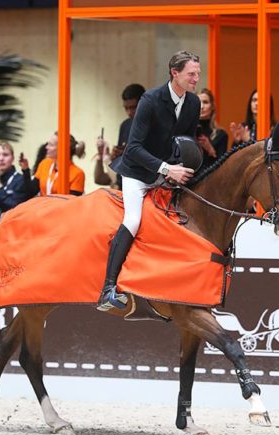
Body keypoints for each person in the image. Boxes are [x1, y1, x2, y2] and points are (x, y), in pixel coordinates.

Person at [98, 50, 201, 311]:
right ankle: (108, 288)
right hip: (138, 173)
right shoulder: (151, 100)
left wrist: (185, 169)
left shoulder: (193, 103)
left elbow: (186, 142)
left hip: (170, 173)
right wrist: (168, 169)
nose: (196, 79)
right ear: (174, 73)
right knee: (133, 220)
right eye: (191, 74)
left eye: (198, 74)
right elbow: (133, 148)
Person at [95, 83, 146, 189]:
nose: (129, 112)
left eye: (133, 107)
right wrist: (114, 154)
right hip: (123, 178)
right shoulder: (125, 125)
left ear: (143, 104)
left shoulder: (153, 125)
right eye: (126, 108)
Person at [0, 142, 38, 213]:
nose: (1, 158)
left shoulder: (21, 180)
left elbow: (15, 209)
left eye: (5, 155)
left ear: (13, 158)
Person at [197, 88, 228, 168]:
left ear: (212, 107)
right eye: (198, 102)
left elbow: (223, 167)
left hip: (210, 178)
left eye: (205, 102)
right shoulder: (187, 131)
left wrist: (211, 150)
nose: (201, 106)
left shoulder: (221, 134)